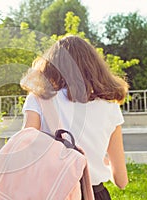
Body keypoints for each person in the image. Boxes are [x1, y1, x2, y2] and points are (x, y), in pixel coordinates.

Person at [20, 35, 128, 199]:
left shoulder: (39, 99)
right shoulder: (110, 105)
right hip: (95, 193)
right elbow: (121, 180)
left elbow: (24, 154)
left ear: (52, 65)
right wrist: (97, 162)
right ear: (94, 66)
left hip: (53, 192)